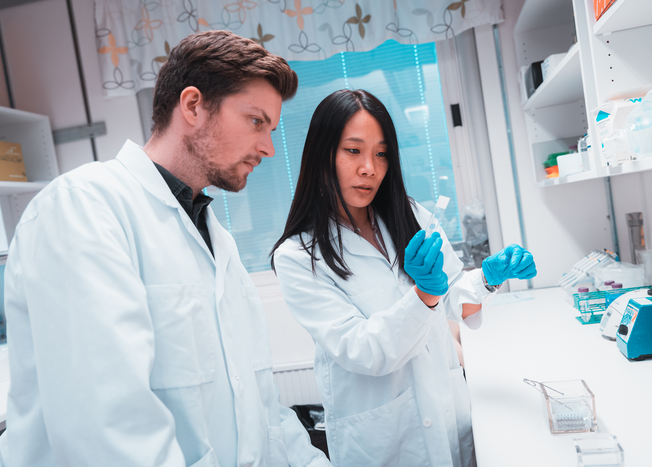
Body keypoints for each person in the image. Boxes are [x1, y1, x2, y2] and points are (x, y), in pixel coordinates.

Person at [0, 31, 331, 467]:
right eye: (256, 122)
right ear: (192, 105)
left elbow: (259, 408)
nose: (268, 148)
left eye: (271, 129)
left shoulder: (218, 242)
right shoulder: (83, 209)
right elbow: (109, 434)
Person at [271, 89, 536, 467]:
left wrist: (490, 278)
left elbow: (455, 301)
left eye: (381, 153)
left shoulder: (411, 216)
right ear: (321, 155)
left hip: (448, 415)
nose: (370, 168)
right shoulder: (299, 257)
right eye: (353, 150)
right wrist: (424, 294)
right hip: (385, 440)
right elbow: (364, 350)